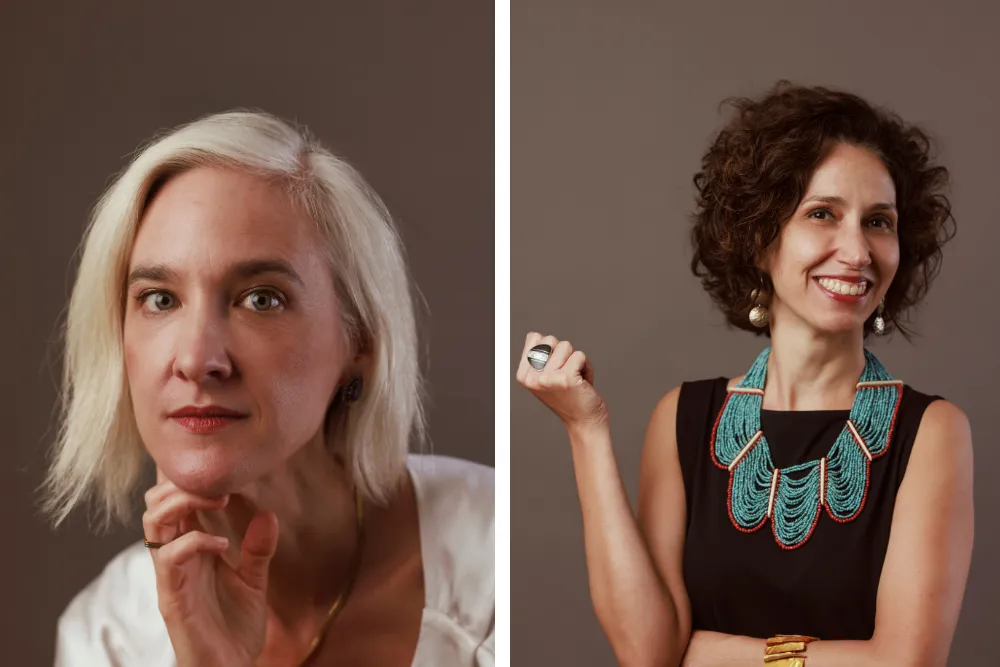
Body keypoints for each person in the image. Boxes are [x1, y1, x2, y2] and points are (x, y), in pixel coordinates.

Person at [518, 82, 973, 666]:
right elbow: (648, 654)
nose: (858, 250)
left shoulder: (932, 432)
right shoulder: (683, 418)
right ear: (759, 238)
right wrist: (587, 430)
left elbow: (905, 664)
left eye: (879, 221)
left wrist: (712, 654)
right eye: (822, 214)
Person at [44, 110, 494, 667]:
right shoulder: (107, 638)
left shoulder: (497, 562)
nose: (195, 360)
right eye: (160, 299)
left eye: (261, 299)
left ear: (361, 340)